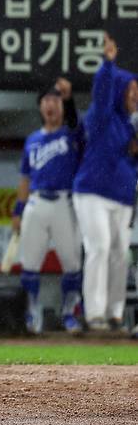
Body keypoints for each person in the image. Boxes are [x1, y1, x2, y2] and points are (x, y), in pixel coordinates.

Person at [72, 33, 138, 332]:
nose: (135, 95)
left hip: (122, 198)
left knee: (120, 252)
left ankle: (115, 313)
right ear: (120, 89)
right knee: (99, 247)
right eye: (132, 90)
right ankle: (95, 312)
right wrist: (108, 65)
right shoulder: (101, 116)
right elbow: (102, 93)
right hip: (92, 193)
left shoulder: (129, 126)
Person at [11, 78, 83, 335]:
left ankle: (70, 313)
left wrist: (69, 98)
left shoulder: (72, 132)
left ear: (62, 106)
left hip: (65, 202)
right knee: (29, 263)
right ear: (40, 107)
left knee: (72, 263)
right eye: (46, 101)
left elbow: (75, 121)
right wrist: (18, 211)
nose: (51, 105)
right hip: (37, 201)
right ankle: (32, 312)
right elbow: (24, 178)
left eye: (55, 100)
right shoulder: (32, 140)